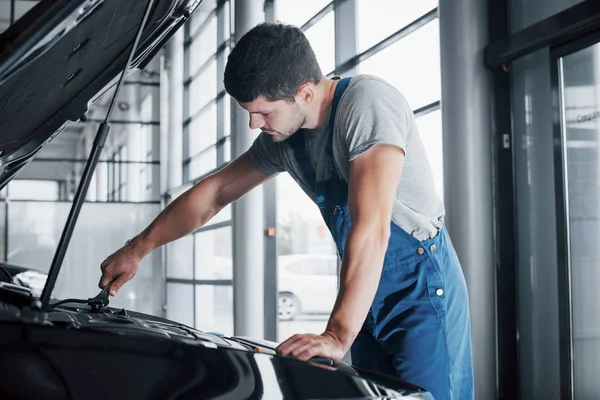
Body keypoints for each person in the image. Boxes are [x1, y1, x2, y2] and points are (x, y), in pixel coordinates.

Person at [98, 22, 474, 400]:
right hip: (366, 294)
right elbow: (214, 192)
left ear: (304, 93)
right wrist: (138, 247)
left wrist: (336, 335)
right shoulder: (286, 140)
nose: (253, 124)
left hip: (420, 293)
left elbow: (373, 226)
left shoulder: (367, 105)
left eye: (263, 112)